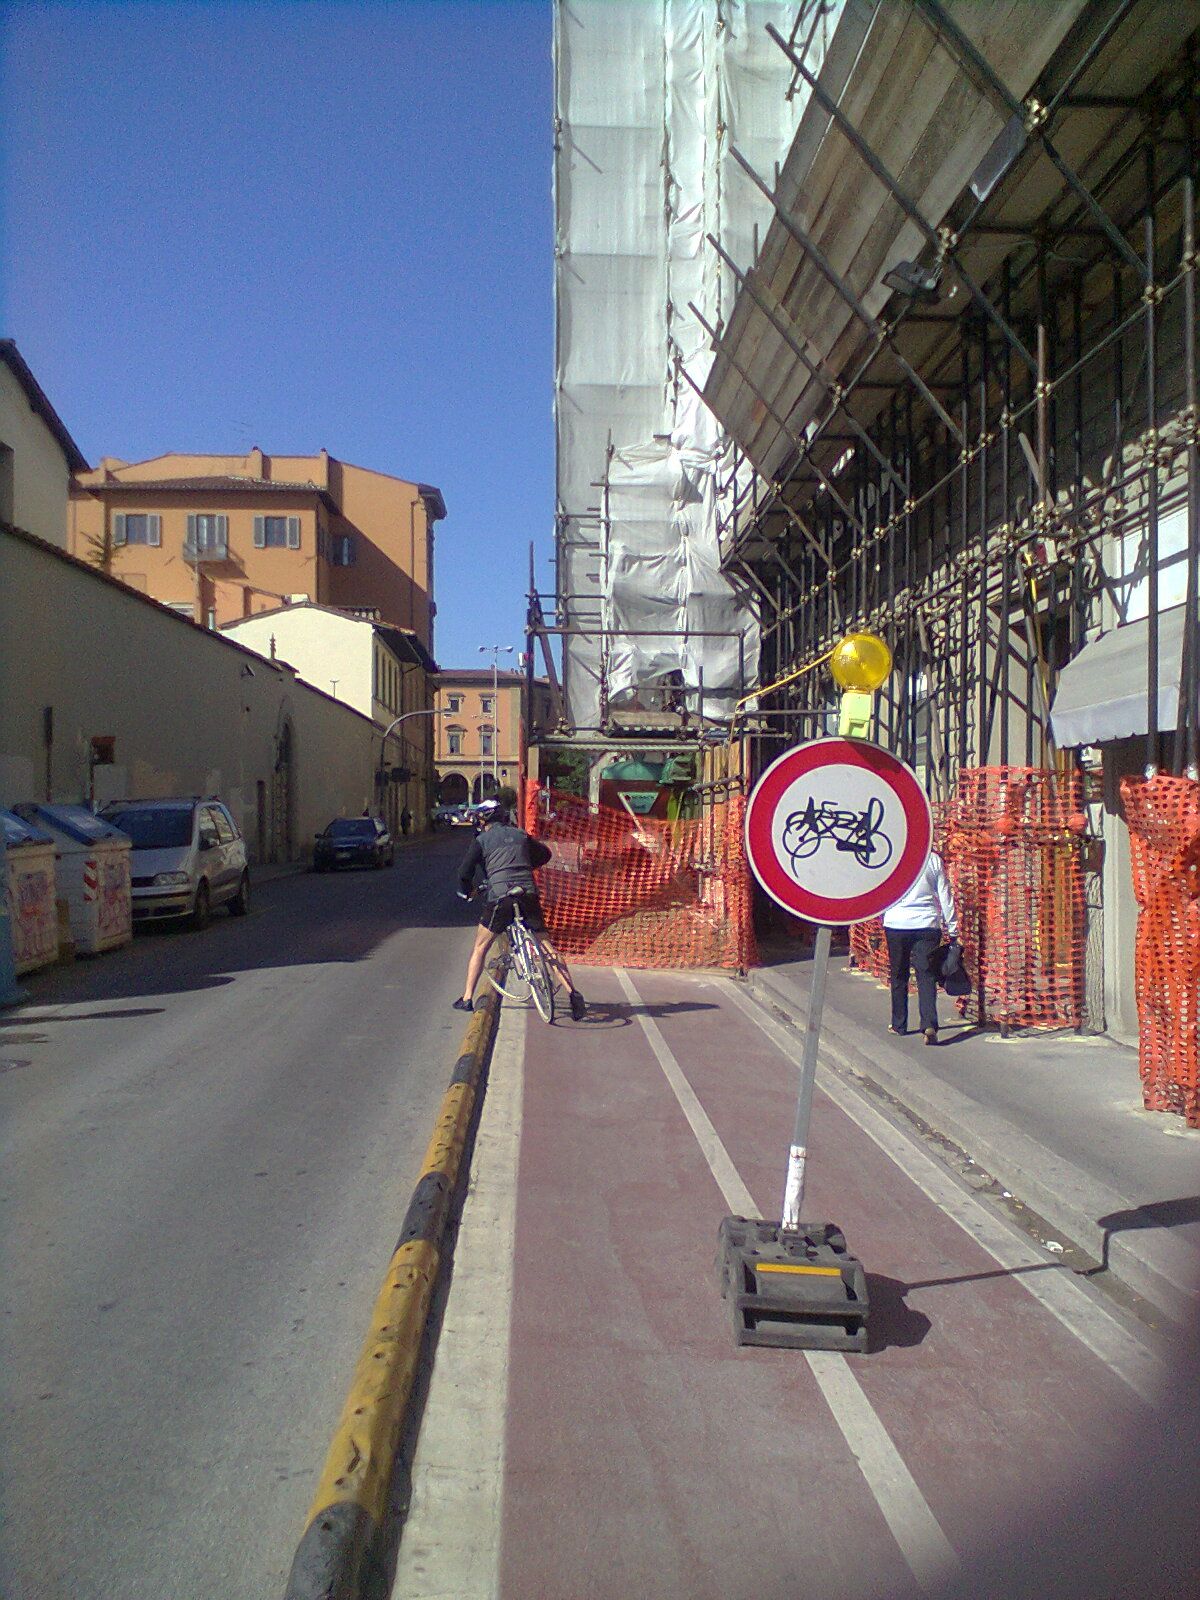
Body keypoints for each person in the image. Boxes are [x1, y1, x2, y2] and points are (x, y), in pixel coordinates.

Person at [454, 798, 586, 1020]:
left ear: (484, 820)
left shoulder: (482, 840)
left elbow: (464, 873)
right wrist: (525, 866)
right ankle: (574, 994)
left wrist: (467, 891)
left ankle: (467, 998)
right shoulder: (521, 835)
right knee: (546, 946)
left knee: (480, 947)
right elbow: (545, 854)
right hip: (528, 893)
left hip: (500, 896)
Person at [881, 848, 957, 1044]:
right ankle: (929, 1024)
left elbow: (881, 891)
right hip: (927, 924)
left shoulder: (892, 856)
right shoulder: (932, 860)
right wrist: (953, 927)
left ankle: (899, 1024)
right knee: (926, 975)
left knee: (899, 974)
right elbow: (944, 894)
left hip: (896, 923)